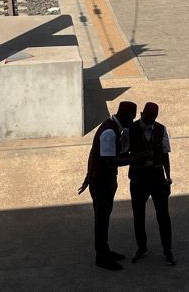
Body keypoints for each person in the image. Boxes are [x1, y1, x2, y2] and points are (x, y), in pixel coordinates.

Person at [78, 101, 140, 271]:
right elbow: (110, 161)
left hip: (102, 180)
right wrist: (135, 160)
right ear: (126, 116)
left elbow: (94, 154)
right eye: (132, 118)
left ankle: (105, 250)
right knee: (102, 218)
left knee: (104, 217)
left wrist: (87, 176)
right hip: (102, 183)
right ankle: (101, 256)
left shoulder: (112, 128)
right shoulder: (109, 133)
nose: (132, 122)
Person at [129, 102, 175, 266]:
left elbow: (165, 155)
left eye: (151, 118)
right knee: (138, 214)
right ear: (142, 114)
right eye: (146, 117)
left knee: (163, 216)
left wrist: (168, 178)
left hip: (156, 178)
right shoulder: (131, 129)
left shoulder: (161, 130)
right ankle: (142, 247)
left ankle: (167, 249)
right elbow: (124, 151)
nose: (148, 120)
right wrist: (135, 160)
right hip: (138, 178)